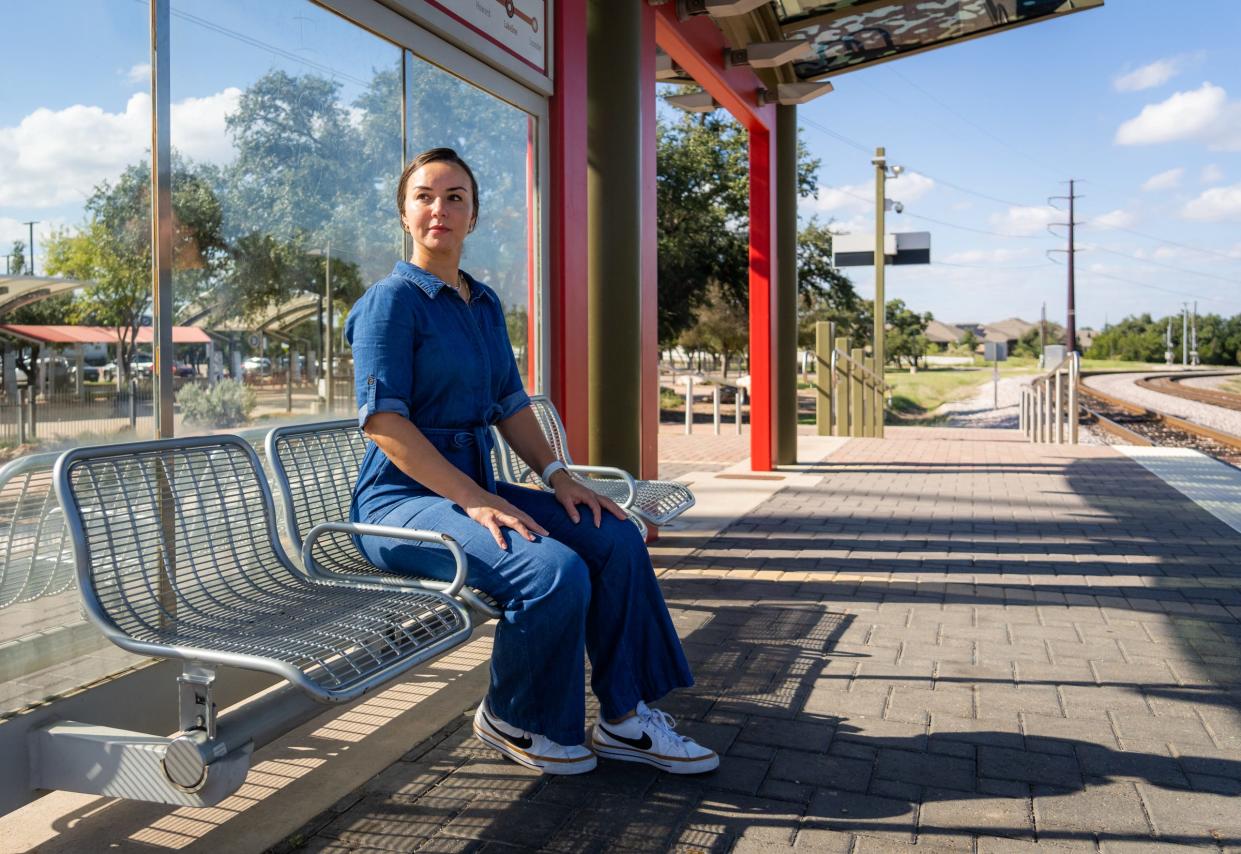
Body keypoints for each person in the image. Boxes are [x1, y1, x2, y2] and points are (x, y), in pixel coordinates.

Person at [345, 147, 717, 776]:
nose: (440, 208)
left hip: (476, 489)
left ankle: (625, 718)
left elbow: (510, 405)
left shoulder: (482, 304)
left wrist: (558, 476)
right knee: (552, 569)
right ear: (404, 214)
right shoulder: (391, 301)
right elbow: (385, 423)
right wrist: (474, 499)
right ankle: (514, 716)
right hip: (400, 503)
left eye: (455, 197)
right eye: (425, 196)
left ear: (473, 215)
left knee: (615, 533)